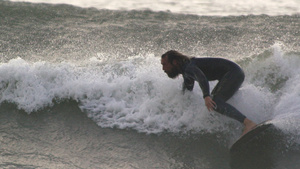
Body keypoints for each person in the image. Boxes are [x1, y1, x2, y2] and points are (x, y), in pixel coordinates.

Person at [160, 50, 257, 135]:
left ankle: (248, 123)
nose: (163, 69)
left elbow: (202, 78)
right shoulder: (186, 73)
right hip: (232, 73)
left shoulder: (189, 67)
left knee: (215, 102)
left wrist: (206, 96)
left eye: (164, 64)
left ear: (175, 62)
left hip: (234, 73)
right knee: (214, 103)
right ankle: (245, 125)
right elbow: (186, 94)